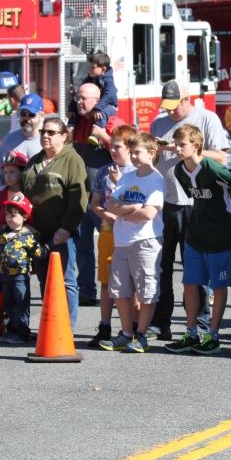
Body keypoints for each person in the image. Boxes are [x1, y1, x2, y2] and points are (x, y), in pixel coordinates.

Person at [151, 79, 230, 340]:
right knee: (161, 265)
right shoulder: (159, 122)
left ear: (187, 100)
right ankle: (160, 322)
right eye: (167, 107)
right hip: (166, 202)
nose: (170, 113)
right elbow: (154, 159)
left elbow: (222, 158)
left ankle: (200, 323)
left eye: (175, 107)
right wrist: (157, 150)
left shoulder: (207, 119)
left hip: (196, 206)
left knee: (194, 268)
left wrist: (189, 151)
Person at [165, 124, 231, 355]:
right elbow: (193, 196)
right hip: (196, 234)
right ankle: (191, 333)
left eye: (182, 145)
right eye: (176, 144)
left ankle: (213, 334)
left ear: (196, 146)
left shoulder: (212, 168)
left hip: (219, 235)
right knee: (190, 283)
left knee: (218, 285)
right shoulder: (179, 170)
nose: (177, 149)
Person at [98, 131, 165, 354]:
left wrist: (125, 212)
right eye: (132, 152)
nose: (134, 157)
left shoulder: (156, 179)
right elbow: (111, 205)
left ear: (152, 153)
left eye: (138, 152)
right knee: (120, 291)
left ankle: (142, 334)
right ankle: (126, 333)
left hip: (145, 242)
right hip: (122, 242)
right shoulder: (127, 177)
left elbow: (148, 214)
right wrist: (131, 209)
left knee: (146, 291)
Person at [22, 117, 88, 329]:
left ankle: (66, 328)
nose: (45, 136)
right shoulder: (35, 160)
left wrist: (66, 228)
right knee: (45, 280)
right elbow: (25, 192)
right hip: (36, 231)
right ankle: (52, 324)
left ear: (63, 136)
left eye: (51, 132)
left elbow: (79, 198)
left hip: (61, 232)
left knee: (66, 280)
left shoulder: (72, 160)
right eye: (43, 132)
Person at [87, 124, 138, 347]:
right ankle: (105, 326)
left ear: (129, 148)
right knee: (107, 283)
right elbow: (95, 203)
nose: (113, 151)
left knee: (133, 283)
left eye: (117, 147)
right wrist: (106, 214)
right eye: (111, 147)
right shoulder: (103, 172)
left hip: (133, 235)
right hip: (109, 232)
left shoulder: (138, 172)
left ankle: (134, 328)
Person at [69, 82, 115, 307]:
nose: (79, 102)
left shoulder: (110, 120)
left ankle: (116, 289)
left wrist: (105, 136)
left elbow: (128, 148)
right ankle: (86, 290)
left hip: (104, 199)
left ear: (97, 101)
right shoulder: (76, 124)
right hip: (81, 196)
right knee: (82, 246)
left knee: (111, 247)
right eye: (77, 97)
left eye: (83, 98)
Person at [0, 194, 46, 344]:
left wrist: (46, 247)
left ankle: (22, 332)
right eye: (7, 214)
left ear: (25, 216)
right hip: (4, 275)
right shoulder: (3, 233)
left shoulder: (28, 235)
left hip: (20, 276)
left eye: (13, 215)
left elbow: (38, 253)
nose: (9, 218)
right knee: (8, 304)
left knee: (21, 303)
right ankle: (11, 330)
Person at [0, 93, 45, 196]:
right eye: (23, 114)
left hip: (39, 205)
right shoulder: (9, 140)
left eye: (31, 115)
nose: (26, 118)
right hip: (13, 207)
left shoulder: (46, 141)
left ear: (41, 115)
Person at [0, 151, 27, 231]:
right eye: (5, 172)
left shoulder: (28, 192)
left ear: (22, 172)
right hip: (4, 236)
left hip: (25, 236)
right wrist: (10, 208)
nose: (8, 176)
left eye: (12, 172)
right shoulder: (1, 193)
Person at [82, 51, 118, 129]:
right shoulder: (89, 79)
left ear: (103, 69)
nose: (90, 70)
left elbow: (109, 95)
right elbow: (80, 92)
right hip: (97, 105)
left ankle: (97, 131)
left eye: (93, 67)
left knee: (102, 114)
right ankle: (71, 128)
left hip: (109, 105)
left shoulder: (107, 80)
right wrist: (71, 108)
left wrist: (98, 108)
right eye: (89, 67)